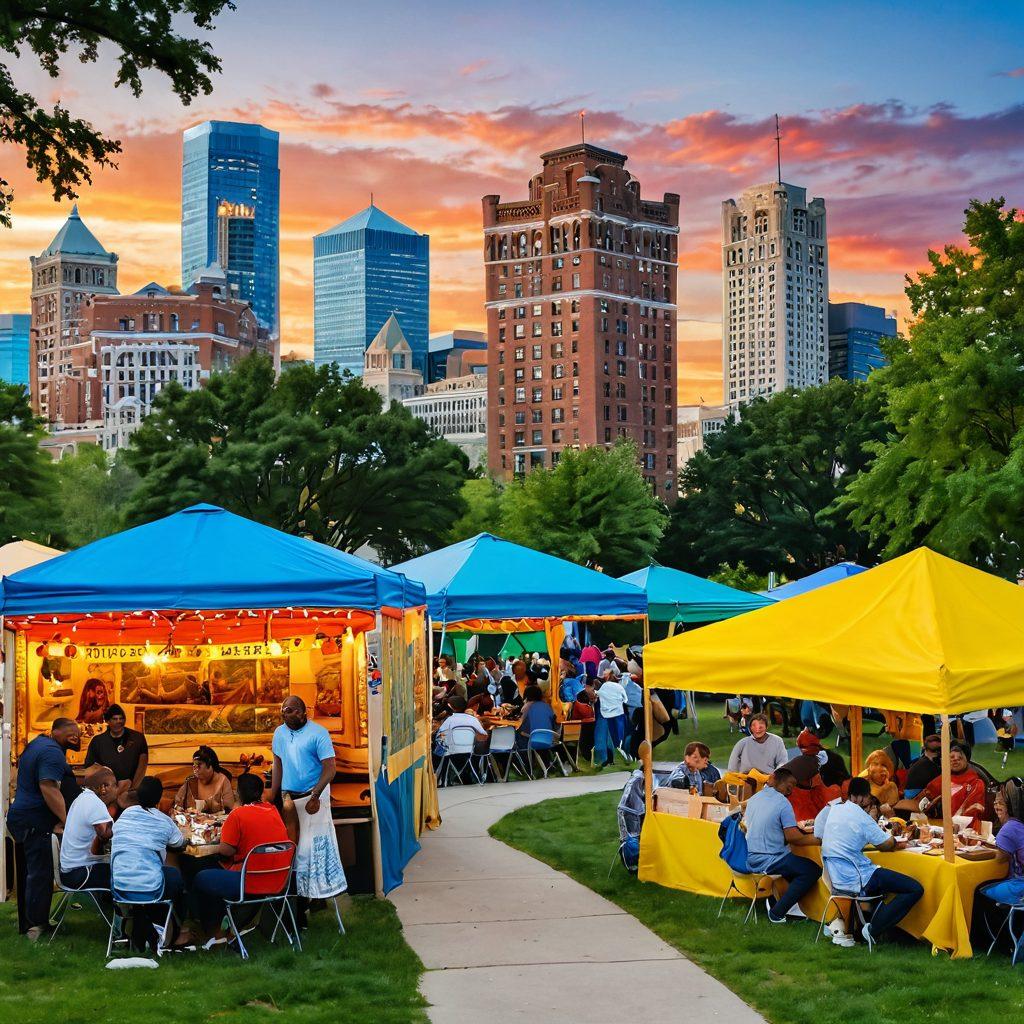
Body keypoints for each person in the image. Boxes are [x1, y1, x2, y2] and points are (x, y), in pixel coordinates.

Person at [815, 777, 923, 945]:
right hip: (858, 877)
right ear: (863, 797)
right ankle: (873, 929)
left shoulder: (834, 809)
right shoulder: (861, 816)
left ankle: (855, 924)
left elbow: (821, 834)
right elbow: (887, 844)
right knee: (914, 889)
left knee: (884, 884)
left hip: (835, 876)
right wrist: (898, 840)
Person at [191, 772, 290, 943]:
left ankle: (212, 930)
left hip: (250, 880)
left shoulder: (238, 815)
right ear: (261, 792)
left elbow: (226, 851)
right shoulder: (273, 811)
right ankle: (233, 924)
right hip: (278, 879)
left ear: (239, 793)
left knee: (201, 875)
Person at [6, 718, 82, 939]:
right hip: (33, 820)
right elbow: (48, 787)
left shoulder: (38, 744)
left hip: (23, 817)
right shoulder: (52, 752)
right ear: (55, 731)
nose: (75, 736)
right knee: (40, 873)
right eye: (70, 733)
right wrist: (67, 820)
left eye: (77, 734)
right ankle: (36, 927)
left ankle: (28, 922)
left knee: (30, 872)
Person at [269, 696, 346, 908]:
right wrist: (273, 795)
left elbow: (330, 768)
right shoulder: (279, 733)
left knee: (311, 849)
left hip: (313, 797)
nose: (285, 714)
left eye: (289, 710)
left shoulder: (318, 733)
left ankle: (317, 897)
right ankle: (300, 898)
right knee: (294, 848)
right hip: (289, 798)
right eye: (283, 710)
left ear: (302, 713)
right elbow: (278, 764)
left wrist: (315, 795)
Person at [111, 776, 190, 951]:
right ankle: (176, 930)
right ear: (159, 799)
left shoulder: (124, 816)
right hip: (150, 887)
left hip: (119, 886)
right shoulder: (163, 821)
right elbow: (179, 843)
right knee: (176, 878)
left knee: (160, 874)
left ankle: (144, 924)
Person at [742, 767, 822, 923]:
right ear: (776, 780)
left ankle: (786, 904)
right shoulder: (783, 803)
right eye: (789, 786)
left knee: (795, 867)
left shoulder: (755, 798)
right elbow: (793, 837)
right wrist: (820, 839)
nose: (790, 791)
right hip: (770, 859)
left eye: (793, 787)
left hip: (751, 856)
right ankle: (777, 912)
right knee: (812, 870)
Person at [59, 766, 117, 892]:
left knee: (112, 865)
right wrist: (116, 806)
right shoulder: (95, 803)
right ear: (104, 787)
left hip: (68, 872)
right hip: (78, 874)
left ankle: (106, 902)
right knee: (123, 870)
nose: (117, 790)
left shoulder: (82, 798)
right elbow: (106, 835)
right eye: (115, 785)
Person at [900, 741, 986, 823]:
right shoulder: (941, 780)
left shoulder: (976, 783)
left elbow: (972, 814)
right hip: (936, 826)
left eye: (960, 757)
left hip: (963, 828)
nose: (955, 759)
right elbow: (920, 802)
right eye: (951, 757)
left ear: (966, 760)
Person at [84, 703, 149, 799]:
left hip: (130, 790)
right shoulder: (98, 741)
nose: (119, 721)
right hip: (107, 793)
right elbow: (90, 767)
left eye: (121, 718)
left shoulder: (137, 738)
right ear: (108, 721)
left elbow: (142, 764)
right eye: (115, 719)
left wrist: (134, 789)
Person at [978, 782, 1024, 915]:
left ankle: (988, 927)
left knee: (978, 890)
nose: (996, 806)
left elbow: (999, 858)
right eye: (995, 802)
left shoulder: (1010, 827)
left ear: (1010, 806)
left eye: (1000, 803)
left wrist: (976, 851)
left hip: (1020, 886)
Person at [174, 745, 235, 812]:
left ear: (210, 766)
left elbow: (229, 809)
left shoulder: (223, 781)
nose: (195, 768)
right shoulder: (191, 781)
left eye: (199, 765)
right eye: (194, 764)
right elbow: (177, 805)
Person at [727, 713, 788, 777]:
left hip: (768, 777)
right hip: (746, 777)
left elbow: (782, 761)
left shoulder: (777, 741)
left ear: (766, 727)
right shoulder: (742, 743)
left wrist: (776, 774)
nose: (758, 729)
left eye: (761, 726)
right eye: (754, 726)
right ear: (750, 728)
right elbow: (732, 765)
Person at [433, 695, 488, 766]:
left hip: (452, 755)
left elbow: (440, 738)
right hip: (470, 754)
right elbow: (484, 737)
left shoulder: (449, 720)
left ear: (451, 708)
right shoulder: (473, 720)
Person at [595, 673, 628, 768]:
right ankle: (620, 754)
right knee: (618, 736)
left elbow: (598, 694)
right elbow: (625, 700)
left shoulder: (604, 687)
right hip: (618, 714)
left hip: (606, 714)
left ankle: (609, 759)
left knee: (608, 737)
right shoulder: (619, 687)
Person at [516, 685, 557, 752]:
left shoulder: (527, 706)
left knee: (516, 733)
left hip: (532, 739)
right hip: (549, 739)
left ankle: (519, 756)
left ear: (526, 695)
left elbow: (520, 723)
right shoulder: (547, 706)